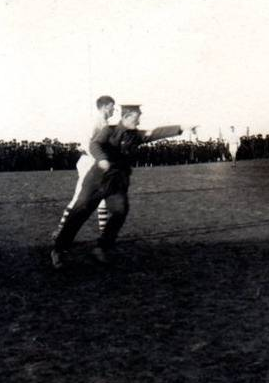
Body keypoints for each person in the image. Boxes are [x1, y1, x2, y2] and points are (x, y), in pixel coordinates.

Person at [50, 104, 189, 269]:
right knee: (80, 211)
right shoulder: (109, 130)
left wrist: (181, 128)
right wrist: (101, 158)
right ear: (127, 116)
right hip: (97, 179)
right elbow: (95, 144)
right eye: (138, 117)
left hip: (117, 182)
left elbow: (156, 132)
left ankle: (101, 248)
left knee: (120, 211)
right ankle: (58, 250)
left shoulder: (136, 135)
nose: (139, 121)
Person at [55, 95, 116, 236]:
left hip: (96, 162)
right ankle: (60, 229)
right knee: (79, 198)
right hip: (89, 161)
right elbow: (87, 143)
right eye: (113, 106)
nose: (114, 110)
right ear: (106, 106)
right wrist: (100, 158)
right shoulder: (96, 121)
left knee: (102, 197)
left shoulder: (103, 121)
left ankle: (104, 234)